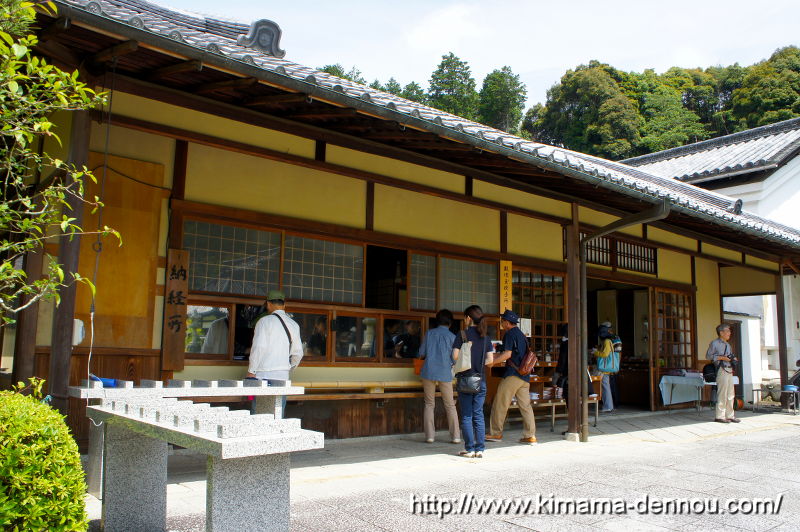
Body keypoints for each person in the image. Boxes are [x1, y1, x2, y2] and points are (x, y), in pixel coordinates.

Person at [485, 310, 537, 444]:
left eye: (502, 321)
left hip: (512, 375)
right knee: (525, 406)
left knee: (500, 403)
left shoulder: (509, 334)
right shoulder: (521, 335)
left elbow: (507, 355)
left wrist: (492, 362)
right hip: (524, 376)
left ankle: (496, 433)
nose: (502, 323)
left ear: (507, 323)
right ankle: (530, 435)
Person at [452, 305, 494, 458]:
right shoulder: (486, 337)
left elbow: (455, 356)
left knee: (467, 415)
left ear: (468, 318)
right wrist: (479, 361)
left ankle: (469, 449)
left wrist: (467, 357)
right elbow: (490, 360)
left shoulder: (462, 334)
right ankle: (480, 449)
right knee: (478, 414)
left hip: (465, 380)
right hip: (480, 380)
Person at [247, 290, 303, 397]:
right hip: (283, 376)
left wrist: (251, 371)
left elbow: (259, 347)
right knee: (278, 409)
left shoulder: (264, 321)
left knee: (261, 410)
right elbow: (298, 354)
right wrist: (287, 367)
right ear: (284, 305)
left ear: (268, 304)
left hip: (264, 374)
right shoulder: (294, 325)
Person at [418, 309, 461, 444]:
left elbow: (421, 353)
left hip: (428, 371)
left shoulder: (429, 334)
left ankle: (430, 436)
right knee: (450, 405)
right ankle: (455, 436)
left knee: (429, 404)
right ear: (450, 322)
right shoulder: (453, 337)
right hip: (444, 372)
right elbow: (455, 359)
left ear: (437, 321)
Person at [707, 323, 740, 423]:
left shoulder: (728, 344)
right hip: (721, 369)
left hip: (729, 369)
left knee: (731, 393)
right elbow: (708, 356)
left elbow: (729, 356)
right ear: (721, 332)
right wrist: (722, 358)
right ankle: (720, 416)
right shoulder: (714, 343)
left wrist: (733, 358)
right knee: (722, 393)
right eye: (728, 331)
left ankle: (730, 415)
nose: (729, 333)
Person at [595, 321, 619, 412]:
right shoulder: (609, 341)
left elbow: (605, 354)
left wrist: (595, 352)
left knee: (605, 387)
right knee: (606, 386)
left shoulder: (607, 341)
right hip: (606, 368)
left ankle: (608, 406)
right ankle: (608, 406)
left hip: (604, 369)